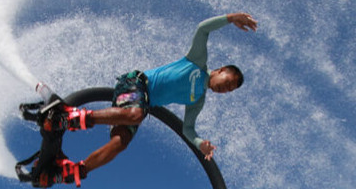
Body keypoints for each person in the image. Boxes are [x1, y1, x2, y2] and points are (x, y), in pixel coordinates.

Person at [63, 12, 257, 180]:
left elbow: (188, 129)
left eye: (230, 90)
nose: (227, 88)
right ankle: (73, 118)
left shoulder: (198, 100)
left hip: (140, 105)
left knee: (119, 143)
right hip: (136, 84)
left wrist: (200, 144)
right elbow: (202, 29)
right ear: (221, 70)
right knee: (135, 115)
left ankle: (76, 170)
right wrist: (230, 18)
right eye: (229, 82)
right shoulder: (198, 62)